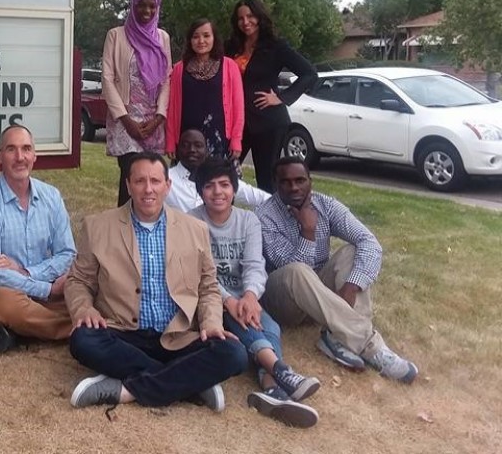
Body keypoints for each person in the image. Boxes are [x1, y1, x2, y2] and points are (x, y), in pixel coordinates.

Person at [65, 152, 247, 410]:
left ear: (167, 185)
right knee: (83, 340)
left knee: (234, 354)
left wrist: (211, 322)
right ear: (128, 185)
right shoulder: (97, 226)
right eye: (139, 181)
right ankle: (190, 383)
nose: (148, 189)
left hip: (179, 336)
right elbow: (78, 281)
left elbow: (208, 287)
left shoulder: (195, 229)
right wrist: (84, 308)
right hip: (123, 334)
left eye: (155, 181)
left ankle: (126, 390)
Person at [256, 157, 418, 383]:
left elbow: (369, 242)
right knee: (297, 270)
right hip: (283, 300)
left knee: (353, 251)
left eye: (300, 180)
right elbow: (289, 265)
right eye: (286, 182)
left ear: (310, 181)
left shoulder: (326, 205)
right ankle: (371, 347)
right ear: (275, 183)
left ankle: (338, 338)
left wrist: (351, 286)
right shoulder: (263, 217)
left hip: (321, 298)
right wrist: (308, 231)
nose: (294, 187)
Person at [189, 158, 320, 428]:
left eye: (224, 185)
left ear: (234, 189)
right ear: (201, 191)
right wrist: (229, 300)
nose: (218, 192)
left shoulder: (248, 220)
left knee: (268, 324)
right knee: (243, 320)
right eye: (210, 186)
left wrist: (249, 296)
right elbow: (202, 274)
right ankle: (281, 371)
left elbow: (254, 264)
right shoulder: (192, 222)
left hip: (244, 296)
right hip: (210, 297)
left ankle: (271, 387)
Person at [0, 124, 77, 353]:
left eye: (26, 149)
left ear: (34, 155)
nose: (20, 157)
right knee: (6, 304)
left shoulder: (51, 196)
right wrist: (47, 290)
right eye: (11, 149)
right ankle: (77, 328)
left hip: (41, 285)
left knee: (85, 290)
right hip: (3, 292)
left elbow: (67, 254)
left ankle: (15, 330)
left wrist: (27, 272)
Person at [225, 0, 317, 193]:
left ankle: (269, 222)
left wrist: (282, 97)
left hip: (268, 121)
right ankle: (225, 219)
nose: (246, 22)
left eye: (250, 16)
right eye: (240, 18)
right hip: (237, 121)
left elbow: (309, 73)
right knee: (226, 172)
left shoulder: (276, 46)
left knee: (266, 179)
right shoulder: (232, 46)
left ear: (259, 17)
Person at [102, 0, 171, 206]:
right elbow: (107, 78)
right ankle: (123, 230)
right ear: (133, 5)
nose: (147, 11)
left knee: (151, 180)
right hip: (126, 121)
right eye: (142, 5)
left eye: (152, 6)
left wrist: (159, 117)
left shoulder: (162, 38)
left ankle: (147, 228)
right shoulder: (116, 35)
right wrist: (126, 120)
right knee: (132, 178)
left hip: (153, 121)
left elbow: (165, 79)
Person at [165, 18, 244, 163]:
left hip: (219, 140)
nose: (201, 41)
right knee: (186, 184)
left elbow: (238, 107)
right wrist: (170, 140)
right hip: (186, 140)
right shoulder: (179, 69)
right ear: (190, 40)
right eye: (196, 36)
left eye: (206, 36)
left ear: (214, 38)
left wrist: (236, 139)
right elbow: (172, 109)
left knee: (217, 183)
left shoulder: (229, 66)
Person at [165, 129, 269, 213]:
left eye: (198, 145)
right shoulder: (165, 178)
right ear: (177, 149)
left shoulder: (219, 174)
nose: (192, 150)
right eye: (185, 145)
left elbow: (264, 199)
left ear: (206, 150)